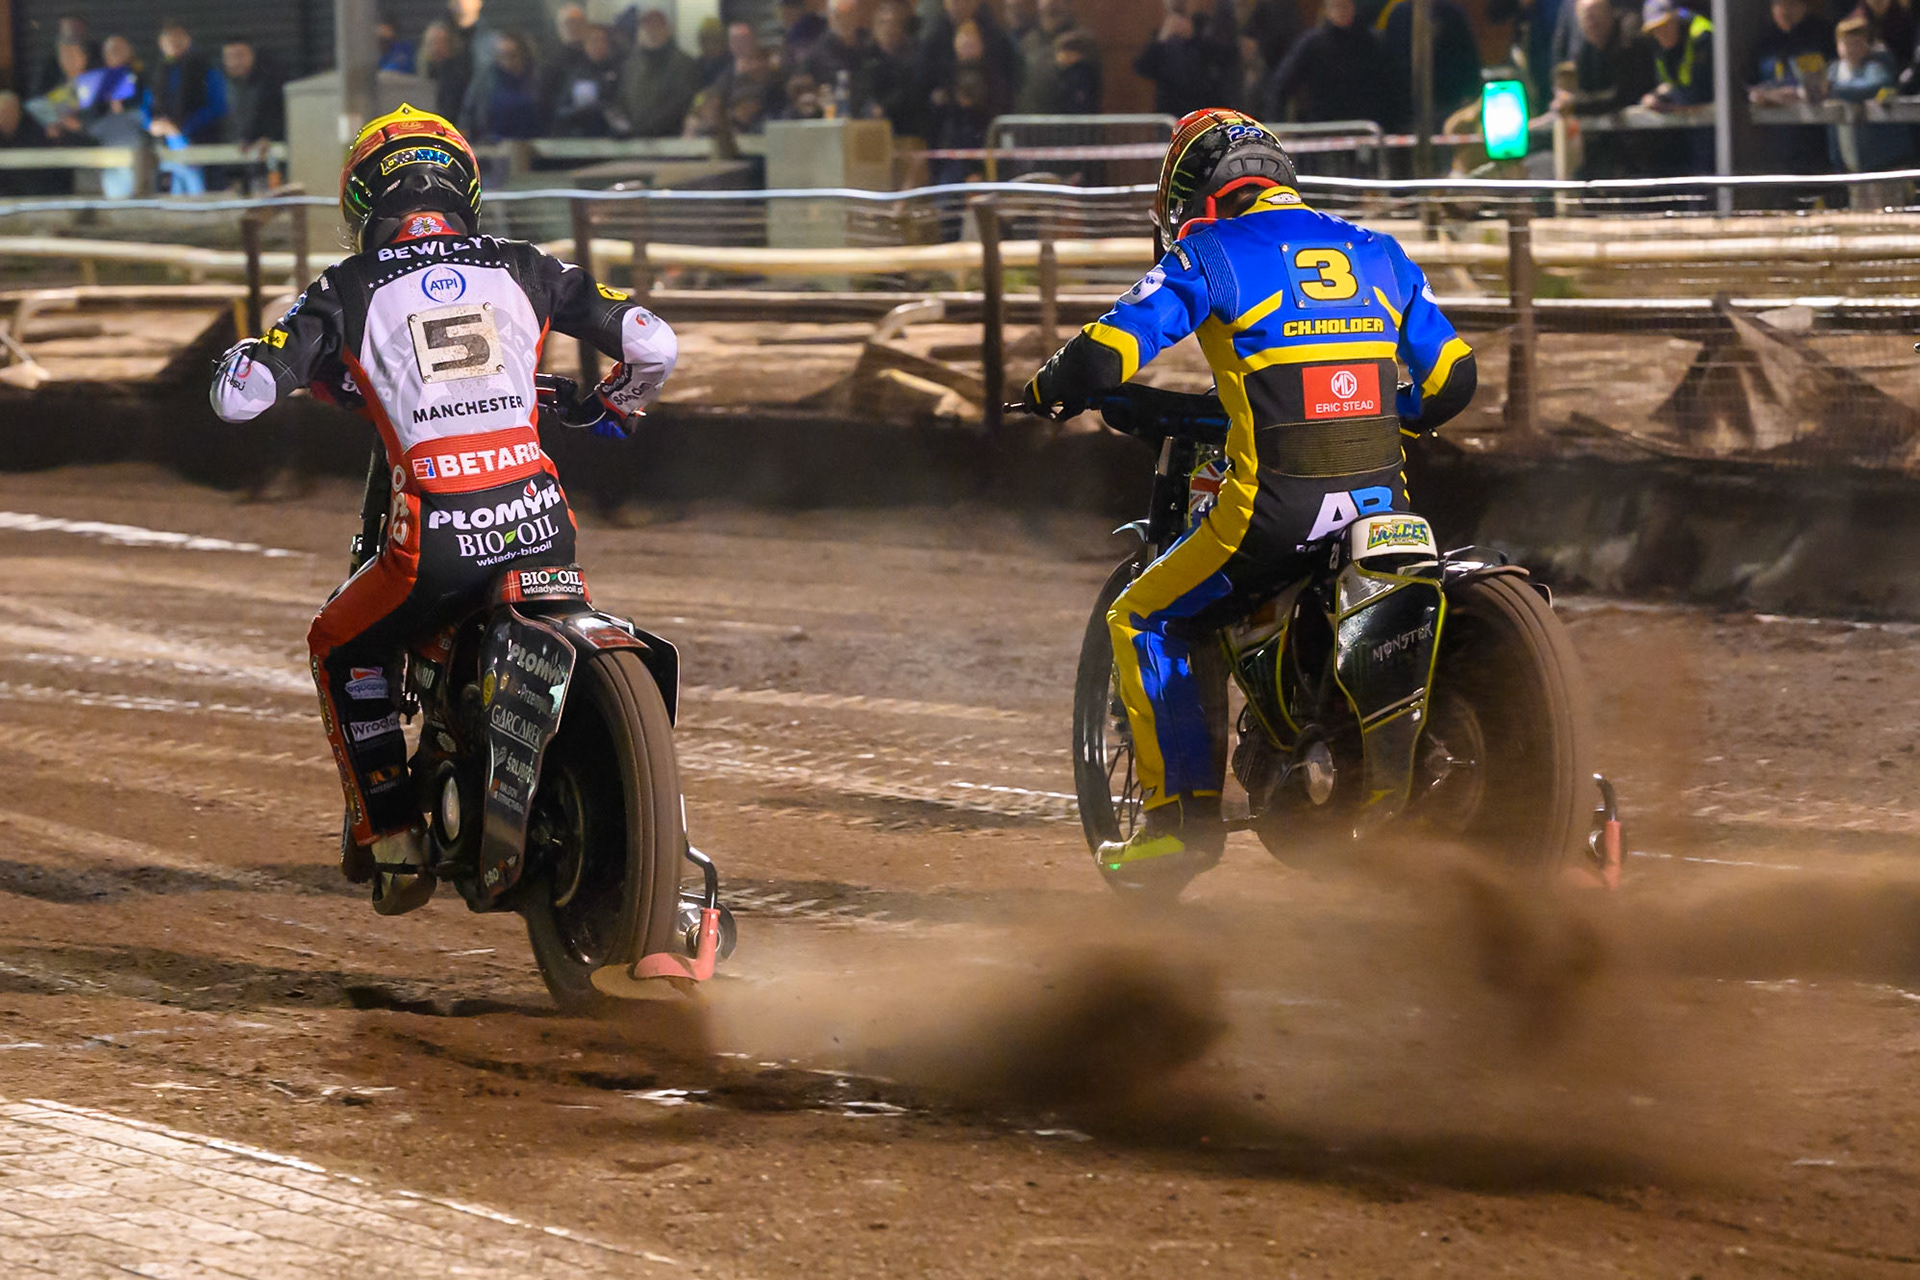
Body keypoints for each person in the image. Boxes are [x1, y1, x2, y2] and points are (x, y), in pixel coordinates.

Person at [208, 104, 678, 913]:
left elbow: (240, 401)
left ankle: (391, 835)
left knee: (338, 642)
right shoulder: (524, 263)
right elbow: (655, 344)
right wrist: (617, 407)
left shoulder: (346, 288)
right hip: (543, 520)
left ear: (361, 204)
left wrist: (241, 357)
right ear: (466, 188)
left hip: (436, 540)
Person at [1021, 109, 1475, 878]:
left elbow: (1106, 354)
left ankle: (1176, 827)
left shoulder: (1209, 256)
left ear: (1197, 196)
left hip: (1275, 515)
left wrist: (1045, 388)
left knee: (1143, 614)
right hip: (1385, 510)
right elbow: (1453, 378)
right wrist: (1380, 412)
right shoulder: (1379, 252)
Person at [1264, 0, 1391, 124]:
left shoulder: (1373, 43)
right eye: (1336, 6)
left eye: (1345, 6)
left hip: (1366, 126)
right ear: (1327, 10)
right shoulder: (1311, 44)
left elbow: (1389, 86)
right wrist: (1276, 122)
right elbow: (1280, 85)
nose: (1341, 12)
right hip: (1323, 127)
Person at [1829, 13, 1910, 168]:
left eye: (1856, 43)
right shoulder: (1832, 70)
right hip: (1844, 152)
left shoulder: (1876, 68)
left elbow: (1872, 87)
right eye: (1846, 43)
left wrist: (1832, 89)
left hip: (1879, 156)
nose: (1851, 49)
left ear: (1866, 44)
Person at [1134, 0, 1240, 118]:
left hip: (1204, 107)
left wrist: (1193, 37)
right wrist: (1161, 39)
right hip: (1169, 109)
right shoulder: (1161, 32)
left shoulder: (1205, 24)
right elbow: (1142, 68)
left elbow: (1225, 57)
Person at [621, 9, 705, 137]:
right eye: (646, 25)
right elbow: (622, 97)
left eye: (657, 25)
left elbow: (681, 102)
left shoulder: (684, 64)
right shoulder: (630, 65)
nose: (651, 30)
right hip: (634, 142)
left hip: (670, 143)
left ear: (667, 29)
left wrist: (648, 128)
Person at [462, 31, 544, 140]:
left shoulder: (538, 79)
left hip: (534, 144)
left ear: (523, 55)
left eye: (513, 55)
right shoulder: (485, 81)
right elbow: (469, 113)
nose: (508, 61)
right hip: (492, 145)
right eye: (502, 55)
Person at [805, 0, 882, 116]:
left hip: (868, 121)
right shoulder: (816, 54)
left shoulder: (870, 47)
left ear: (856, 16)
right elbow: (806, 92)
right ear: (830, 17)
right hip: (831, 121)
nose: (844, 20)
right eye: (838, 15)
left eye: (849, 13)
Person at [548, 24, 627, 136]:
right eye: (593, 41)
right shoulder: (576, 75)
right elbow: (561, 109)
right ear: (585, 45)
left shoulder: (620, 73)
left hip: (612, 138)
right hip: (581, 137)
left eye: (602, 40)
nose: (598, 45)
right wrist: (576, 112)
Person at [1015, 0, 1092, 113]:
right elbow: (1019, 89)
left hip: (1068, 124)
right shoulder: (1027, 43)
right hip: (1031, 123)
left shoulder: (1081, 42)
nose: (1050, 3)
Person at [1639, 0, 1714, 107]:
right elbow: (1662, 85)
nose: (1661, 33)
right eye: (1655, 30)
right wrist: (1655, 95)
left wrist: (1666, 96)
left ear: (1677, 20)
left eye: (1665, 25)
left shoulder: (1701, 36)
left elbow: (1701, 93)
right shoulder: (1659, 48)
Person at [0, 91, 69, 198]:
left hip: (35, 196)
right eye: (3, 113)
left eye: (12, 111)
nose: (7, 116)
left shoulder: (36, 135)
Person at [420, 23, 469, 122]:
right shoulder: (423, 69)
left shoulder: (457, 74)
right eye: (433, 42)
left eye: (441, 42)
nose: (436, 47)